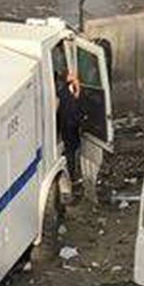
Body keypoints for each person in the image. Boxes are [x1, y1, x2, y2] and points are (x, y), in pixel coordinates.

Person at [56, 69, 86, 200]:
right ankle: (72, 177)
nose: (75, 76)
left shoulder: (69, 90)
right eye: (72, 75)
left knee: (73, 152)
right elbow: (71, 108)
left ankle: (74, 176)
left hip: (71, 127)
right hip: (68, 127)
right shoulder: (63, 93)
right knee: (70, 153)